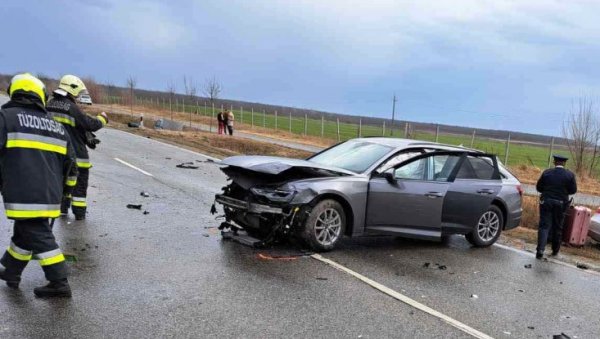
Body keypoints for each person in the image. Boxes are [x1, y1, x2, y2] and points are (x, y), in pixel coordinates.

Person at [0, 73, 78, 297]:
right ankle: (10, 270)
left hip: (23, 193)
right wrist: (66, 195)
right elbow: (71, 166)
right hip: (51, 194)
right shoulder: (56, 127)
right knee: (25, 233)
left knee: (37, 234)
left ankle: (59, 281)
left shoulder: (6, 118)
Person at [47, 75, 108, 220]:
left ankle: (62, 208)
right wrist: (103, 118)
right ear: (72, 89)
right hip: (77, 155)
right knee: (79, 186)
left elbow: (70, 127)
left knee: (63, 182)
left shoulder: (49, 104)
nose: (78, 96)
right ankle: (79, 214)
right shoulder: (71, 107)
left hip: (56, 155)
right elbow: (89, 124)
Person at [535, 154, 577, 259]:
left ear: (554, 162)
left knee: (544, 226)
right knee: (558, 227)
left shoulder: (547, 173)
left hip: (547, 202)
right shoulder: (570, 175)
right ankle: (555, 250)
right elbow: (573, 190)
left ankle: (540, 250)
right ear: (564, 163)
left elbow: (539, 188)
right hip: (561, 204)